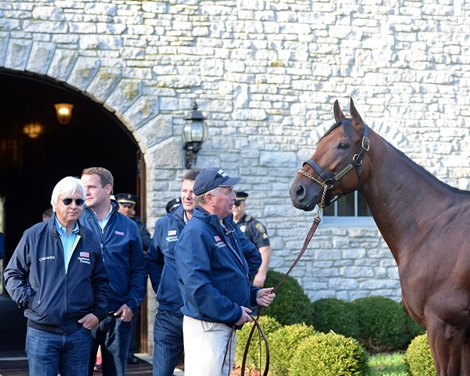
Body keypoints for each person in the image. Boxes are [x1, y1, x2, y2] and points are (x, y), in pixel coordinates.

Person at [175, 167, 276, 376]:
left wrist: (251, 294)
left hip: (221, 323)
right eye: (228, 191)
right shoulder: (196, 233)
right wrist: (234, 311)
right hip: (208, 328)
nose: (234, 196)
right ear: (210, 198)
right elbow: (198, 289)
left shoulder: (222, 227)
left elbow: (226, 277)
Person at [4, 176, 108, 376]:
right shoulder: (34, 235)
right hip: (42, 332)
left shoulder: (90, 238)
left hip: (79, 332)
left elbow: (101, 281)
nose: (74, 206)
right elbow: (12, 274)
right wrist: (33, 302)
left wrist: (98, 313)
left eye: (79, 201)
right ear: (55, 203)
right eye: (67, 201)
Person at [80, 167, 147, 376]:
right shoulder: (76, 221)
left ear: (108, 188)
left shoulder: (129, 226)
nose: (85, 192)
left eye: (91, 187)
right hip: (83, 316)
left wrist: (133, 303)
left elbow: (139, 268)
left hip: (117, 315)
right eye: (83, 187)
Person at [146, 170, 199, 376]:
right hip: (169, 315)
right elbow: (153, 259)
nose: (187, 196)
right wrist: (162, 287)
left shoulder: (215, 224)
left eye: (193, 191)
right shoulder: (165, 223)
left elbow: (250, 257)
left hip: (200, 315)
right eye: (184, 190)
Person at [115, 192, 152, 365]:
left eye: (131, 206)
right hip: (115, 280)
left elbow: (148, 243)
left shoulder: (138, 226)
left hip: (131, 278)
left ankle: (129, 352)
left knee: (131, 316)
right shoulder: (111, 223)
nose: (128, 209)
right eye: (125, 205)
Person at [232, 191, 272, 287]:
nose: (235, 207)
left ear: (244, 204)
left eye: (237, 204)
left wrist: (261, 274)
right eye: (233, 204)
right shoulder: (226, 224)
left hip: (249, 274)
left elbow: (265, 250)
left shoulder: (254, 225)